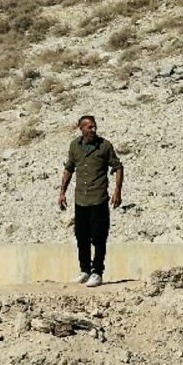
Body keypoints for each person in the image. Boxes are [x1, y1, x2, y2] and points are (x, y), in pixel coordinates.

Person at [58, 115, 123, 287]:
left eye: (94, 127)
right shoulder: (74, 146)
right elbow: (69, 168)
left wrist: (117, 191)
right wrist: (62, 192)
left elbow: (117, 167)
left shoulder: (105, 146)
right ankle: (85, 270)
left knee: (99, 237)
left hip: (99, 198)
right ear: (81, 128)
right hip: (81, 200)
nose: (93, 130)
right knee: (81, 237)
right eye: (89, 127)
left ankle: (97, 272)